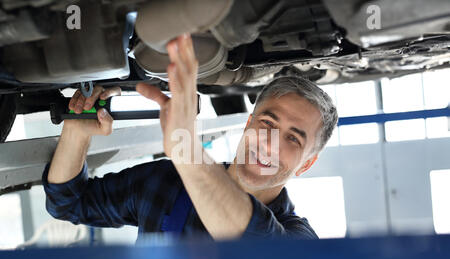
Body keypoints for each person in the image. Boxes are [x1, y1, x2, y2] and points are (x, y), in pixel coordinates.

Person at [42, 33, 338, 241]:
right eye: (267, 122)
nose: (270, 142)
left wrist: (187, 153)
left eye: (293, 140)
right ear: (249, 124)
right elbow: (69, 203)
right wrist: (76, 131)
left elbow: (258, 246)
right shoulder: (165, 183)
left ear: (306, 164)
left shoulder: (298, 240)